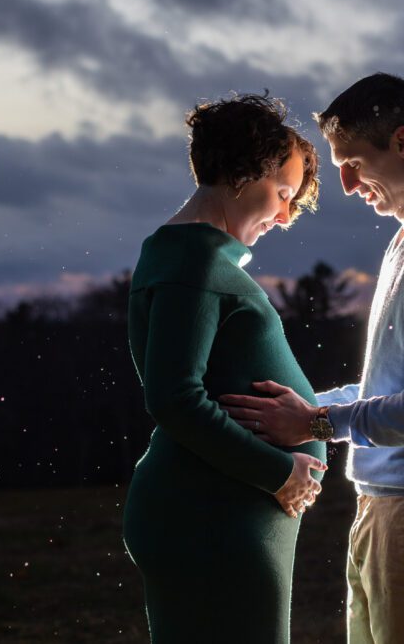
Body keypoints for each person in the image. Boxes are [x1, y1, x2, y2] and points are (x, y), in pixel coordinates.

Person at [220, 73, 404, 644]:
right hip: (391, 510)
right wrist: (302, 408)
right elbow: (388, 387)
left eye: (352, 162)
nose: (346, 185)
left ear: (403, 142)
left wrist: (319, 424)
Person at [122, 93, 328, 644]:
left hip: (221, 516)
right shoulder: (196, 260)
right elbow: (173, 397)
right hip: (212, 521)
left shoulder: (189, 254)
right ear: (246, 171)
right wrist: (279, 473)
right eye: (282, 193)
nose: (285, 216)